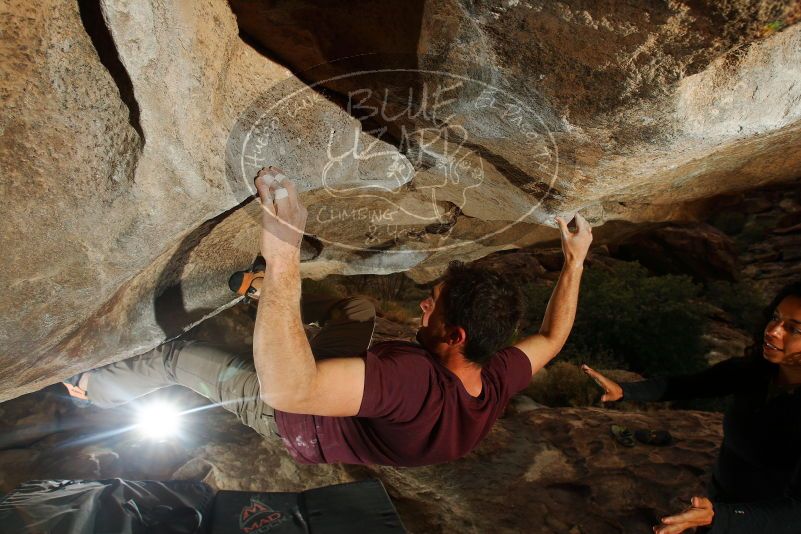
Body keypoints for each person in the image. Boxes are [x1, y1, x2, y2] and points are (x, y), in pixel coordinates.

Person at [65, 166, 593, 466]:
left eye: (435, 304)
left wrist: (284, 252)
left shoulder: (414, 382)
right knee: (357, 308)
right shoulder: (493, 375)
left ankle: (93, 384)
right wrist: (575, 260)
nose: (424, 303)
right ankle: (259, 293)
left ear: (455, 335)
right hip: (344, 394)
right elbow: (552, 336)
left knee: (176, 358)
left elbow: (288, 390)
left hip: (296, 415)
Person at [582, 282, 801, 534]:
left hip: (764, 523)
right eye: (775, 318)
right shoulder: (757, 372)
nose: (773, 331)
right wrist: (625, 391)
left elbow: (797, 510)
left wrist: (721, 517)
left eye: (792, 329)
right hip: (719, 502)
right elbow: (690, 385)